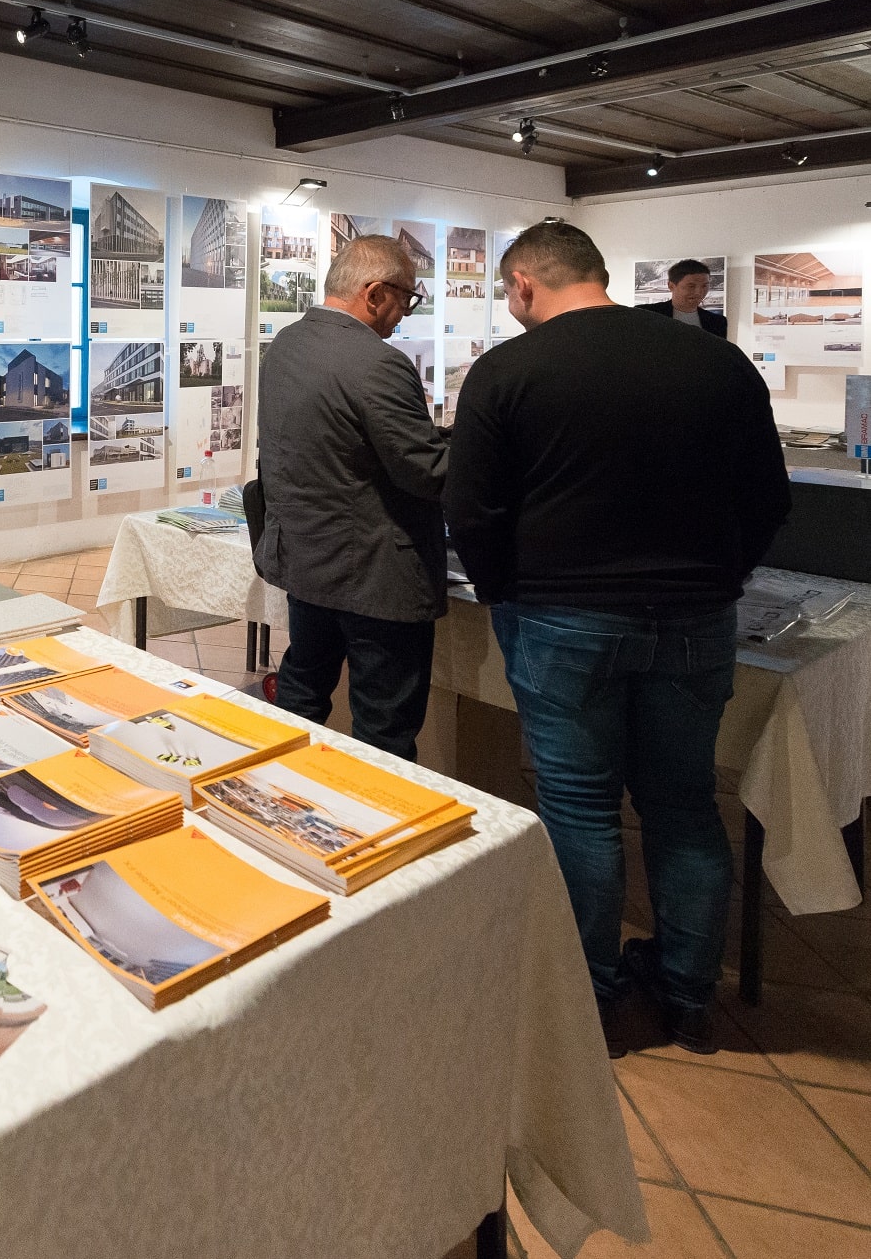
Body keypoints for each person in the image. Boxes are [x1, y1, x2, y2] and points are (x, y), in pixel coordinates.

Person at [445, 222, 789, 1055]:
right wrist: (718, 575)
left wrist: (500, 589)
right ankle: (689, 997)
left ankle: (589, 997)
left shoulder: (508, 371)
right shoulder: (717, 363)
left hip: (562, 617)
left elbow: (472, 509)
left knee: (579, 809)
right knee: (684, 805)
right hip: (695, 618)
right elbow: (769, 498)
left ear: (524, 284)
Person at [254, 234, 448, 762]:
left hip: (307, 562)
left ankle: (281, 794)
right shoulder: (378, 362)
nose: (404, 316)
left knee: (301, 693)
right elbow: (426, 471)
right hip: (376, 576)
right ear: (375, 293)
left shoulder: (286, 344)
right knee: (384, 729)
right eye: (407, 299)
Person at [636, 258, 727, 337]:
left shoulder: (717, 322)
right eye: (691, 286)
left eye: (704, 286)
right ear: (671, 286)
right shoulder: (645, 314)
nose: (699, 292)